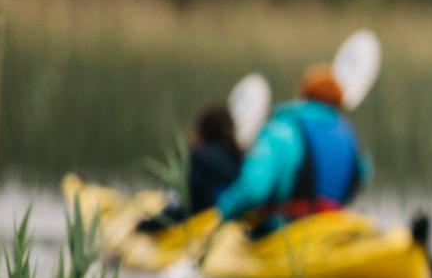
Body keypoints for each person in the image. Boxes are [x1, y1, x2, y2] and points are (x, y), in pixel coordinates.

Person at [213, 64, 371, 233]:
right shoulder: (349, 136)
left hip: (286, 234)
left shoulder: (282, 131)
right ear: (339, 103)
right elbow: (365, 174)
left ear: (303, 95)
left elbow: (253, 189)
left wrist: (222, 212)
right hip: (332, 233)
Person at [135, 103, 244, 232]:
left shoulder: (196, 161)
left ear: (202, 132)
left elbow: (182, 211)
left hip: (203, 230)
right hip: (232, 227)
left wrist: (144, 226)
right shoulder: (238, 159)